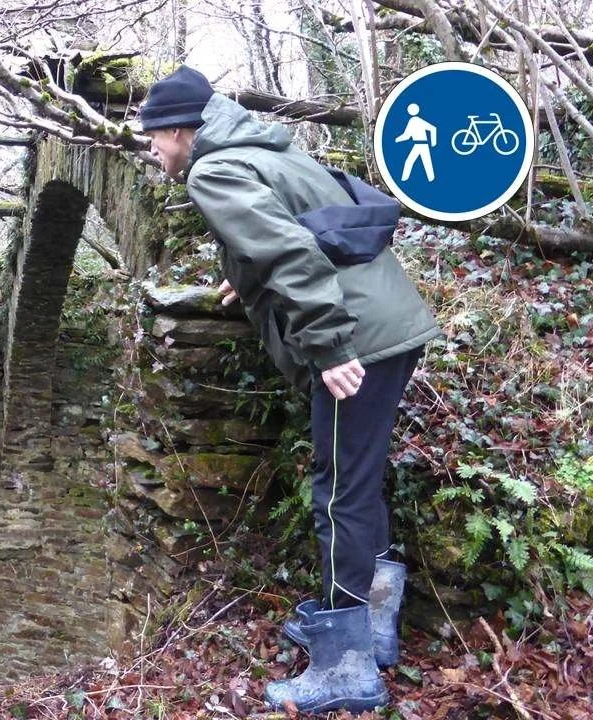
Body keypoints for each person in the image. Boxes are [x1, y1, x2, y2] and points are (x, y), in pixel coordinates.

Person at [138, 65, 442, 714]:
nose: (153, 151)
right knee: (357, 480)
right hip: (392, 321)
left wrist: (329, 347)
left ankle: (347, 664)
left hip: (356, 338)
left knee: (339, 493)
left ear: (178, 131)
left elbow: (291, 257)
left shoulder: (211, 171)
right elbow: (312, 226)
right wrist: (242, 278)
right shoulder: (264, 148)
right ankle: (374, 621)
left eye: (154, 139)